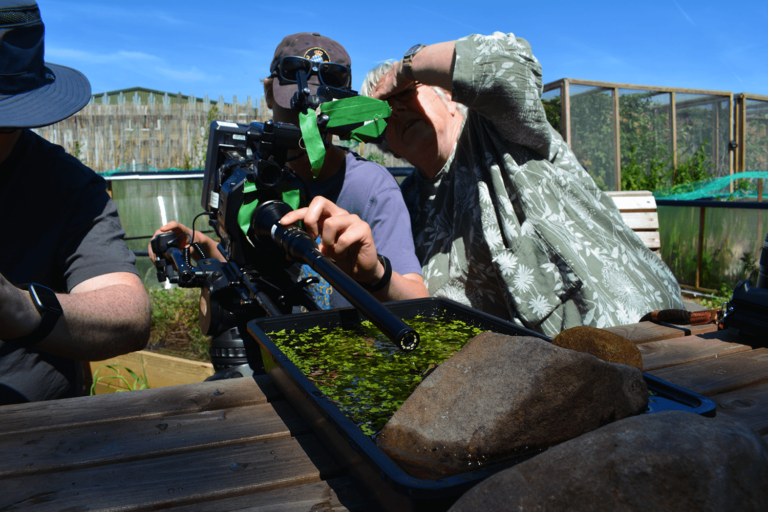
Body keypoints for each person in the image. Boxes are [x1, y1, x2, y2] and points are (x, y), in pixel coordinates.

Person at [360, 32, 684, 336]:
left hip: (632, 327)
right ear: (387, 144)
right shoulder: (404, 201)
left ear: (448, 94)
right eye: (383, 112)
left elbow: (510, 63)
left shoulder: (493, 126)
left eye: (405, 93)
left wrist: (405, 69)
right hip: (530, 365)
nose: (397, 110)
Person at [151, 33, 427, 307]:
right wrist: (199, 245)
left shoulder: (370, 187)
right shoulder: (252, 176)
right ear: (269, 95)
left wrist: (375, 274)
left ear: (343, 106)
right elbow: (248, 270)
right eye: (294, 108)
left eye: (319, 111)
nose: (307, 122)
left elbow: (417, 301)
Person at [0, 0, 151, 405]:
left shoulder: (66, 185)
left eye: (6, 123)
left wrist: (20, 308)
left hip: (33, 436)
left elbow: (129, 312)